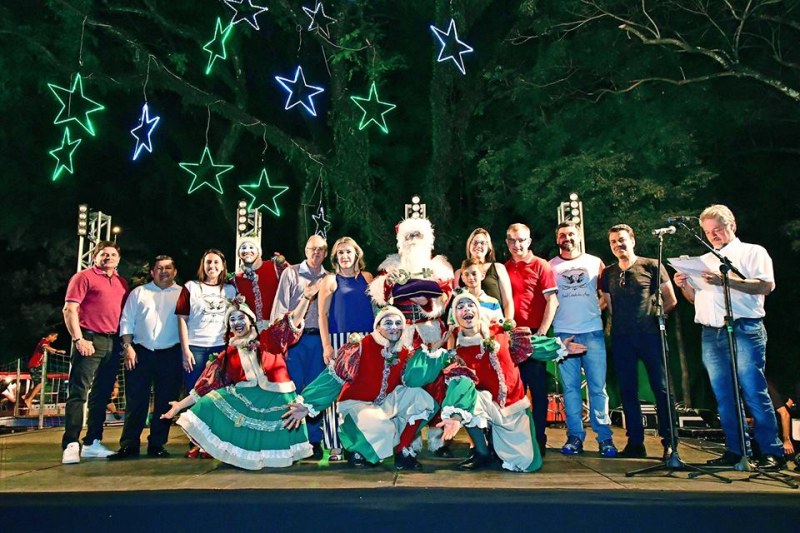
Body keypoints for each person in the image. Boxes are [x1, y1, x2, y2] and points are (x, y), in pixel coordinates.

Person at [673, 205, 785, 470]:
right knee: (724, 395)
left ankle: (772, 451)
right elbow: (696, 299)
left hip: (744, 327)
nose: (713, 235)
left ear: (731, 225)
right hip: (711, 332)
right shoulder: (705, 260)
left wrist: (726, 281)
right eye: (708, 232)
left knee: (753, 390)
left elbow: (765, 285)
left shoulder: (753, 252)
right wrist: (685, 285)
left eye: (718, 230)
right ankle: (736, 450)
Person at [161, 291, 318, 470]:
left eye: (241, 317)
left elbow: (292, 322)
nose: (237, 323)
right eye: (232, 319)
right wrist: (179, 406)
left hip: (278, 398)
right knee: (209, 401)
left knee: (276, 450)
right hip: (250, 397)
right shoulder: (228, 355)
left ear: (251, 320)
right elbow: (205, 385)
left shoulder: (269, 337)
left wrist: (306, 298)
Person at [283, 306, 447, 470]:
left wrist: (432, 354)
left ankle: (403, 450)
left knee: (419, 397)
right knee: (383, 428)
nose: (394, 327)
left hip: (383, 403)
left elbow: (413, 380)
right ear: (378, 327)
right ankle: (354, 448)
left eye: (398, 323)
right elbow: (333, 378)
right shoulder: (360, 347)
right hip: (355, 404)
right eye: (388, 323)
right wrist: (308, 403)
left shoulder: (404, 352)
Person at [437, 291, 586, 472]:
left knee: (526, 464)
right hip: (487, 405)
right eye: (460, 307)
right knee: (465, 390)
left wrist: (560, 347)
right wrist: (456, 416)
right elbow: (459, 389)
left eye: (470, 305)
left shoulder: (501, 332)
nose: (466, 309)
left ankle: (496, 442)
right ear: (455, 316)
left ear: (478, 310)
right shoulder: (459, 354)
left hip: (512, 406)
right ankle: (481, 451)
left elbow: (532, 345)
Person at [368, 216, 455, 456]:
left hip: (430, 330)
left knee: (436, 382)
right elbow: (380, 299)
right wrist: (388, 283)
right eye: (409, 236)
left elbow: (445, 298)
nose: (414, 240)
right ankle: (409, 437)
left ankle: (438, 437)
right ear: (401, 241)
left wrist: (426, 302)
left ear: (427, 240)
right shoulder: (391, 267)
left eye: (418, 235)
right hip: (402, 333)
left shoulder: (439, 267)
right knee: (402, 383)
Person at [601, 224, 677, 459]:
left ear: (632, 240)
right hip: (622, 339)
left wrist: (652, 319)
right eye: (613, 242)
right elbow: (609, 305)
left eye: (622, 240)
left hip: (650, 336)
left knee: (661, 388)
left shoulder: (652, 265)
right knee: (627, 390)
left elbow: (671, 300)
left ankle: (670, 442)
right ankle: (635, 442)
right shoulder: (608, 273)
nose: (618, 245)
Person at [549, 221, 617, 457]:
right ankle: (575, 436)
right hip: (564, 334)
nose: (567, 238)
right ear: (557, 239)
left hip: (592, 332)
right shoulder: (550, 266)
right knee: (570, 389)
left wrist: (595, 311)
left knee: (598, 388)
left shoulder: (595, 262)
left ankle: (605, 438)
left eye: (571, 234)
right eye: (562, 235)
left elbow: (605, 295)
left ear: (578, 236)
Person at [109, 255, 184, 459]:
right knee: (135, 400)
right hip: (140, 352)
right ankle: (129, 445)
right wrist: (128, 347)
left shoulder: (183, 293)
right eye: (159, 268)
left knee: (166, 401)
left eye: (168, 268)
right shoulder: (139, 292)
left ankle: (157, 444)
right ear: (152, 272)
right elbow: (126, 321)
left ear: (174, 272)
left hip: (171, 353)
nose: (164, 272)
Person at [61, 241, 129, 464]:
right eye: (104, 254)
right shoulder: (83, 277)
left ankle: (92, 442)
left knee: (102, 394)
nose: (108, 258)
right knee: (79, 392)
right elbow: (70, 309)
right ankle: (71, 444)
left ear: (118, 259)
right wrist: (79, 339)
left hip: (113, 342)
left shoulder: (121, 282)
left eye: (113, 254)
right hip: (89, 339)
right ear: (95, 257)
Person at [270, 235, 329, 459]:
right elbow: (279, 308)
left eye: (321, 249)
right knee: (291, 390)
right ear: (305, 250)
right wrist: (280, 341)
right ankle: (292, 440)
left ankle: (314, 440)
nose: (316, 252)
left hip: (318, 340)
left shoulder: (329, 278)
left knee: (314, 390)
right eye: (312, 248)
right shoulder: (291, 273)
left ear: (325, 253)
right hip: (294, 340)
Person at [175, 249, 237, 458]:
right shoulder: (191, 287)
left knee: (219, 397)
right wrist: (185, 350)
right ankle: (196, 443)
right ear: (203, 265)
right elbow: (182, 319)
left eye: (216, 262)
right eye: (208, 262)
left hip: (221, 348)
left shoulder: (230, 290)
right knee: (196, 395)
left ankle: (215, 443)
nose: (212, 266)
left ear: (223, 266)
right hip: (196, 348)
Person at [318, 237, 375, 461]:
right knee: (335, 392)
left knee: (362, 392)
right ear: (335, 257)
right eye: (340, 252)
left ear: (357, 254)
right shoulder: (330, 280)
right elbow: (322, 315)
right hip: (339, 340)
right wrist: (326, 345)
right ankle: (335, 444)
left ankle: (361, 443)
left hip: (366, 341)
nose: (345, 256)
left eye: (348, 252)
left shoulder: (368, 278)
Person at [504, 223, 558, 455]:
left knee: (537, 391)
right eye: (512, 240)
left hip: (534, 335)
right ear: (507, 242)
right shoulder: (503, 268)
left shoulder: (541, 265)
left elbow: (552, 301)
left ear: (529, 241)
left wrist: (541, 333)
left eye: (521, 240)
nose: (517, 244)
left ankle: (539, 439)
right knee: (513, 392)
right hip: (509, 338)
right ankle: (518, 440)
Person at [454, 228, 514, 319]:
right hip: (467, 324)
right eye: (475, 242)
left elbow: (508, 302)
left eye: (482, 243)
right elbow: (456, 305)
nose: (478, 246)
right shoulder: (459, 273)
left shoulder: (498, 268)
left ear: (489, 247)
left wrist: (507, 323)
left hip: (494, 323)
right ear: (469, 245)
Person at [234, 237, 288, 331]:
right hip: (252, 331)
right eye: (243, 248)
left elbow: (294, 280)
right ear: (238, 254)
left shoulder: (273, 266)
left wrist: (283, 264)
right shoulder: (236, 279)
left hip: (276, 326)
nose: (247, 251)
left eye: (251, 247)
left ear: (258, 252)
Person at [23, 331, 66, 409]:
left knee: (40, 383)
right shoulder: (44, 340)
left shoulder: (47, 343)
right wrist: (57, 350)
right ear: (50, 335)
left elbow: (49, 350)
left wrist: (53, 351)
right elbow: (45, 347)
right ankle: (29, 399)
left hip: (37, 365)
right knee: (42, 382)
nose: (55, 339)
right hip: (35, 365)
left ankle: (27, 396)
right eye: (55, 337)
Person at [456, 258, 504, 325]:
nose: (471, 278)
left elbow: (500, 326)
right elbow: (452, 327)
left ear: (482, 275)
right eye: (466, 274)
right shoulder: (457, 302)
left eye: (474, 274)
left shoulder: (493, 303)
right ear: (462, 278)